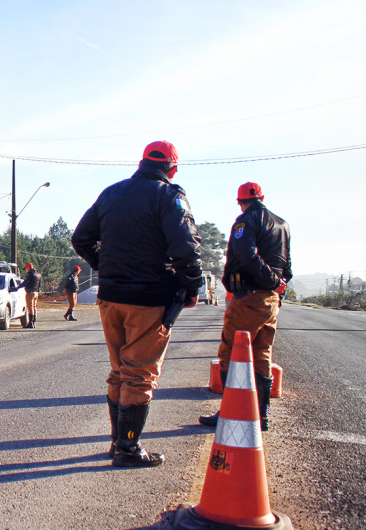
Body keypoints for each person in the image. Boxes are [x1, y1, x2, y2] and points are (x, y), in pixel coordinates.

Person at [72, 140, 202, 468]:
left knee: (119, 371)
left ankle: (118, 443)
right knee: (139, 375)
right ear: (172, 168)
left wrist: (104, 265)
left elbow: (80, 238)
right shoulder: (169, 195)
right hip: (149, 298)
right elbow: (185, 249)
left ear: (142, 161)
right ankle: (127, 450)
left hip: (110, 295)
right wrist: (191, 286)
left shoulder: (112, 192)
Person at [199, 182, 291, 431]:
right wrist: (278, 284)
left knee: (231, 352)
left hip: (248, 297)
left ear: (240, 201)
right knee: (262, 355)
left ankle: (231, 413)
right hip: (270, 299)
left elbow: (246, 255)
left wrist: (269, 280)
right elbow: (287, 265)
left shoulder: (245, 221)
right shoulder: (282, 224)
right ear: (262, 197)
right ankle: (261, 416)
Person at [21, 262, 42, 328]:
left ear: (29, 267)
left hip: (30, 292)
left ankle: (30, 323)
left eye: (26, 268)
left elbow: (26, 282)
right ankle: (34, 322)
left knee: (30, 308)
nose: (26, 270)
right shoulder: (38, 274)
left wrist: (18, 287)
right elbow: (39, 284)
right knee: (34, 307)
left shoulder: (30, 273)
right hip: (36, 292)